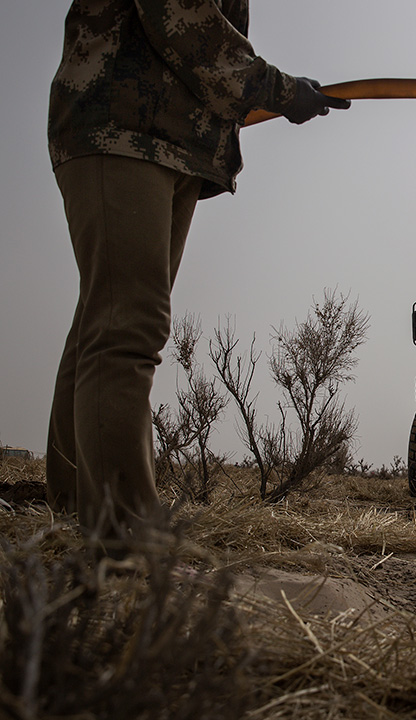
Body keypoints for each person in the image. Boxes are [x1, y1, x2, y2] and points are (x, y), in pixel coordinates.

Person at [45, 0, 350, 555]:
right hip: (123, 124)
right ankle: (127, 538)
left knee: (106, 318)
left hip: (170, 140)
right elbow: (184, 20)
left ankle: (73, 509)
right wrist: (280, 91)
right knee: (127, 325)